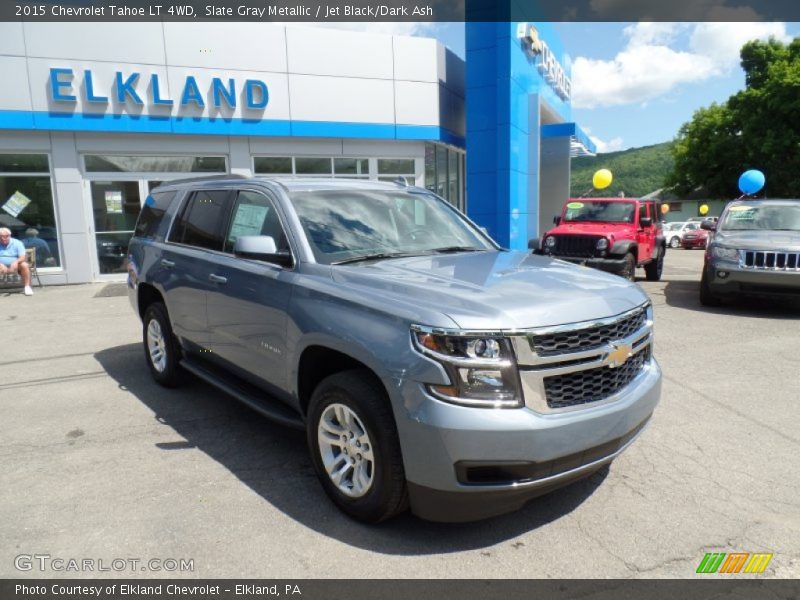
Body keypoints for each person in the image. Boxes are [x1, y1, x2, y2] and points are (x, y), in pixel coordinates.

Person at [0, 227, 33, 295]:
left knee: (24, 265)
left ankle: (27, 287)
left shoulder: (17, 243)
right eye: (1, 236)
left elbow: (23, 257)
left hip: (16, 265)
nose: (4, 238)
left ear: (10, 235)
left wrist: (15, 262)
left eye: (6, 236)